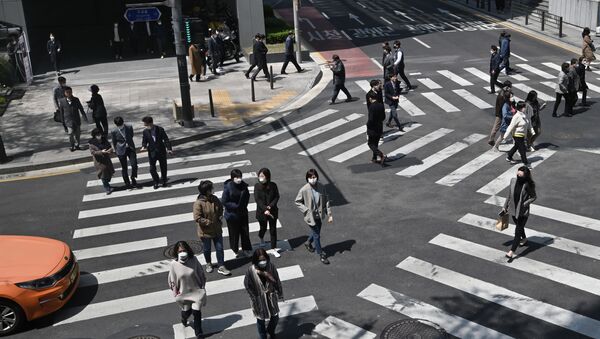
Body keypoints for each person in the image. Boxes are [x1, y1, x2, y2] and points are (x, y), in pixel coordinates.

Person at [168, 240, 206, 338]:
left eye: (184, 250)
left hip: (196, 292)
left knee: (196, 312)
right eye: (180, 251)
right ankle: (183, 318)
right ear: (176, 252)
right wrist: (175, 293)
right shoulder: (174, 264)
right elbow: (172, 280)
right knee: (186, 312)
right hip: (183, 293)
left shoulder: (194, 260)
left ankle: (199, 333)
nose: (182, 253)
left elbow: (201, 273)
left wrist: (203, 286)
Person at [295, 169, 333, 264]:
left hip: (319, 215)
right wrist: (306, 210)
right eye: (311, 177)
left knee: (316, 232)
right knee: (317, 235)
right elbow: (297, 201)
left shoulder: (321, 187)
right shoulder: (304, 189)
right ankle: (321, 254)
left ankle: (308, 243)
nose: (313, 179)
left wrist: (329, 214)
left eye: (314, 177)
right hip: (310, 216)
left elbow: (326, 200)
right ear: (307, 178)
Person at [193, 180, 231, 276]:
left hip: (217, 229)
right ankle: (208, 263)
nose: (213, 190)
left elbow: (220, 207)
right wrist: (207, 222)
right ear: (206, 191)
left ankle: (221, 265)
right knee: (207, 249)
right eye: (211, 189)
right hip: (205, 231)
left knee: (219, 248)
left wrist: (220, 215)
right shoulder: (198, 203)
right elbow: (197, 218)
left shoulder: (214, 198)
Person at [244, 248, 283, 339]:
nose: (262, 262)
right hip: (258, 299)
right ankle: (263, 336)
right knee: (261, 320)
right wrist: (254, 298)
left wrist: (279, 292)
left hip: (270, 297)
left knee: (275, 317)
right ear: (256, 260)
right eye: (260, 260)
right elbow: (247, 285)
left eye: (264, 259)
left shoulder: (271, 267)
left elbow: (276, 280)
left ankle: (270, 330)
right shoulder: (251, 271)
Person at [502, 166, 537, 260]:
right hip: (513, 209)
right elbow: (509, 195)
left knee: (517, 232)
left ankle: (511, 252)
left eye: (520, 175)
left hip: (522, 212)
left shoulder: (528, 185)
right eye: (518, 174)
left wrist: (525, 204)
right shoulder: (513, 181)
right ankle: (524, 239)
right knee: (519, 227)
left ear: (525, 176)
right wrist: (505, 207)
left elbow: (533, 197)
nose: (518, 176)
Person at [222, 169, 253, 259]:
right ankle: (234, 249)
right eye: (236, 177)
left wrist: (243, 206)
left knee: (245, 232)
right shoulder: (228, 187)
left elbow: (247, 196)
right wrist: (236, 206)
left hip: (243, 213)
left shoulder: (244, 186)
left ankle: (246, 249)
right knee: (234, 233)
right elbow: (224, 201)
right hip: (232, 215)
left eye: (240, 177)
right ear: (232, 178)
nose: (239, 179)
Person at [254, 168, 280, 257]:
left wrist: (270, 206)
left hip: (272, 211)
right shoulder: (257, 186)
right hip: (262, 212)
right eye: (260, 176)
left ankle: (273, 248)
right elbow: (257, 199)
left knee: (273, 230)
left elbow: (277, 196)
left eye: (262, 176)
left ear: (267, 177)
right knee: (263, 228)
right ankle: (261, 237)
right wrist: (265, 208)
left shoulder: (273, 185)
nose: (261, 177)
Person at [141, 116, 173, 189]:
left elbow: (166, 139)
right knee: (152, 168)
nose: (144, 126)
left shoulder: (160, 129)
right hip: (152, 152)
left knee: (163, 167)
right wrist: (144, 146)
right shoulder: (145, 131)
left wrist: (169, 149)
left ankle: (164, 180)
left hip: (161, 151)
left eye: (146, 124)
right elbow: (144, 140)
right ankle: (156, 181)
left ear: (151, 123)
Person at [502, 101, 535, 166]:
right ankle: (525, 163)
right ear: (521, 108)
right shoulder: (516, 116)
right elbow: (511, 126)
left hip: (522, 135)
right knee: (522, 149)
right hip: (517, 135)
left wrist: (532, 131)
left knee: (516, 146)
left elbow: (528, 123)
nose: (525, 108)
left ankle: (509, 157)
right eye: (524, 107)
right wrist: (505, 136)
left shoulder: (524, 115)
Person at [111, 116, 138, 188]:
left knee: (134, 164)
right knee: (124, 167)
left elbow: (131, 135)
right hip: (121, 150)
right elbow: (114, 141)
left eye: (121, 125)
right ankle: (127, 182)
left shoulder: (129, 127)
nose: (120, 127)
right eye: (118, 126)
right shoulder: (114, 131)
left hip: (130, 148)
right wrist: (116, 150)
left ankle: (133, 177)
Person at [59, 87, 88, 152]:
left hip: (76, 120)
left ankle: (77, 145)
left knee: (77, 134)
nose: (69, 93)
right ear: (65, 93)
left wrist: (84, 116)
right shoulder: (62, 101)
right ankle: (72, 145)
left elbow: (81, 108)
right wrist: (63, 121)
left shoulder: (76, 99)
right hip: (68, 121)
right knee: (70, 133)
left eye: (70, 92)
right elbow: (61, 112)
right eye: (67, 92)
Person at [88, 128, 115, 195]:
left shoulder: (104, 139)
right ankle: (107, 188)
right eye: (97, 134)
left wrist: (110, 150)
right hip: (99, 161)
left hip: (107, 160)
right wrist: (101, 152)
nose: (99, 136)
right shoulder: (92, 143)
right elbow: (93, 152)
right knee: (103, 175)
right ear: (94, 135)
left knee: (109, 173)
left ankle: (107, 183)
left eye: (100, 134)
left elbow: (110, 147)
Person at [489, 81, 512, 146]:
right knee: (496, 127)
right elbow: (503, 105)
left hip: (501, 113)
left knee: (497, 126)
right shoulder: (502, 95)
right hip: (500, 113)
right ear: (507, 87)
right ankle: (491, 140)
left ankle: (492, 139)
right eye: (510, 86)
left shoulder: (503, 93)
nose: (511, 87)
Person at [367, 96, 387, 165]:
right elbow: (384, 117)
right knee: (375, 143)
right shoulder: (381, 105)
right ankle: (374, 158)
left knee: (370, 143)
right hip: (379, 126)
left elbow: (371, 119)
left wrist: (368, 125)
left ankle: (381, 155)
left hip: (373, 128)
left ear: (370, 98)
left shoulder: (371, 107)